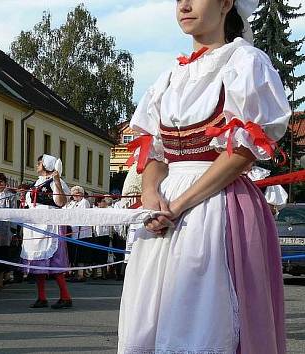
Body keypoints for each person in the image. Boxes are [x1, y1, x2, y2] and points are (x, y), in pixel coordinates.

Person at [118, 1, 289, 352]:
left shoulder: (244, 62)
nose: (184, 5)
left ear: (226, 3)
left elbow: (241, 153)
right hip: (163, 212)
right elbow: (152, 149)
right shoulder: (169, 76)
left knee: (205, 318)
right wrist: (151, 195)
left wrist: (179, 204)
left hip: (217, 204)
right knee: (150, 316)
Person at [22, 154, 72, 309]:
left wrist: (56, 182)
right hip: (36, 225)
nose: (37, 166)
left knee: (54, 262)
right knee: (39, 264)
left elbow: (61, 202)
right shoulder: (37, 183)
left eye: (39, 163)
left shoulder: (56, 181)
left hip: (50, 225)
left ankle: (65, 297)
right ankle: (41, 297)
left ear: (45, 165)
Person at [64, 185, 93, 282]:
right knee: (74, 254)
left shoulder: (84, 202)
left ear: (81, 194)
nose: (75, 196)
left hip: (82, 233)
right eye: (73, 194)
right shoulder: (71, 203)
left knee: (80, 254)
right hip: (72, 232)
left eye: (77, 194)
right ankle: (74, 273)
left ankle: (80, 274)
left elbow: (81, 215)